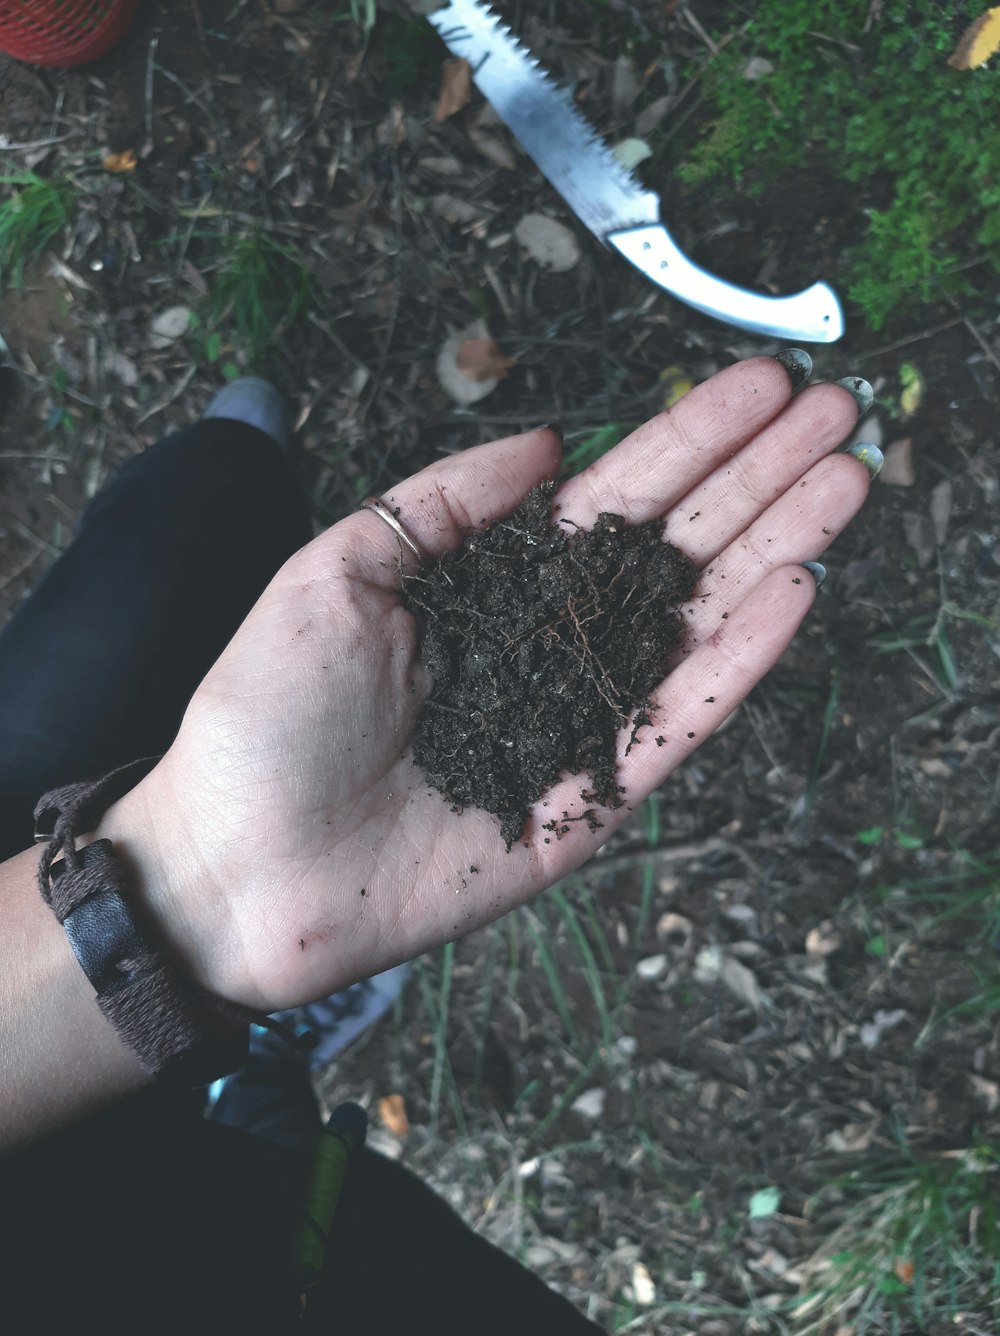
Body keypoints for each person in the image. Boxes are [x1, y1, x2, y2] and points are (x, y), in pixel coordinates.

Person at [0, 355, 880, 1329]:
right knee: (304, 1191)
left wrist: (184, 888)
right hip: (285, 1287)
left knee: (187, 521)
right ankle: (252, 1075)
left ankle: (228, 461)